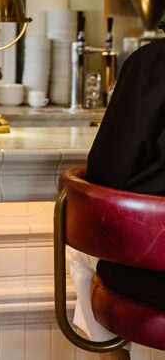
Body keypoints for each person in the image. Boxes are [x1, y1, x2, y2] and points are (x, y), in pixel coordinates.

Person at [64, 37, 165, 359]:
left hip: (156, 280)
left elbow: (108, 172)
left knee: (83, 250)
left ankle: (113, 356)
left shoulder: (154, 61)